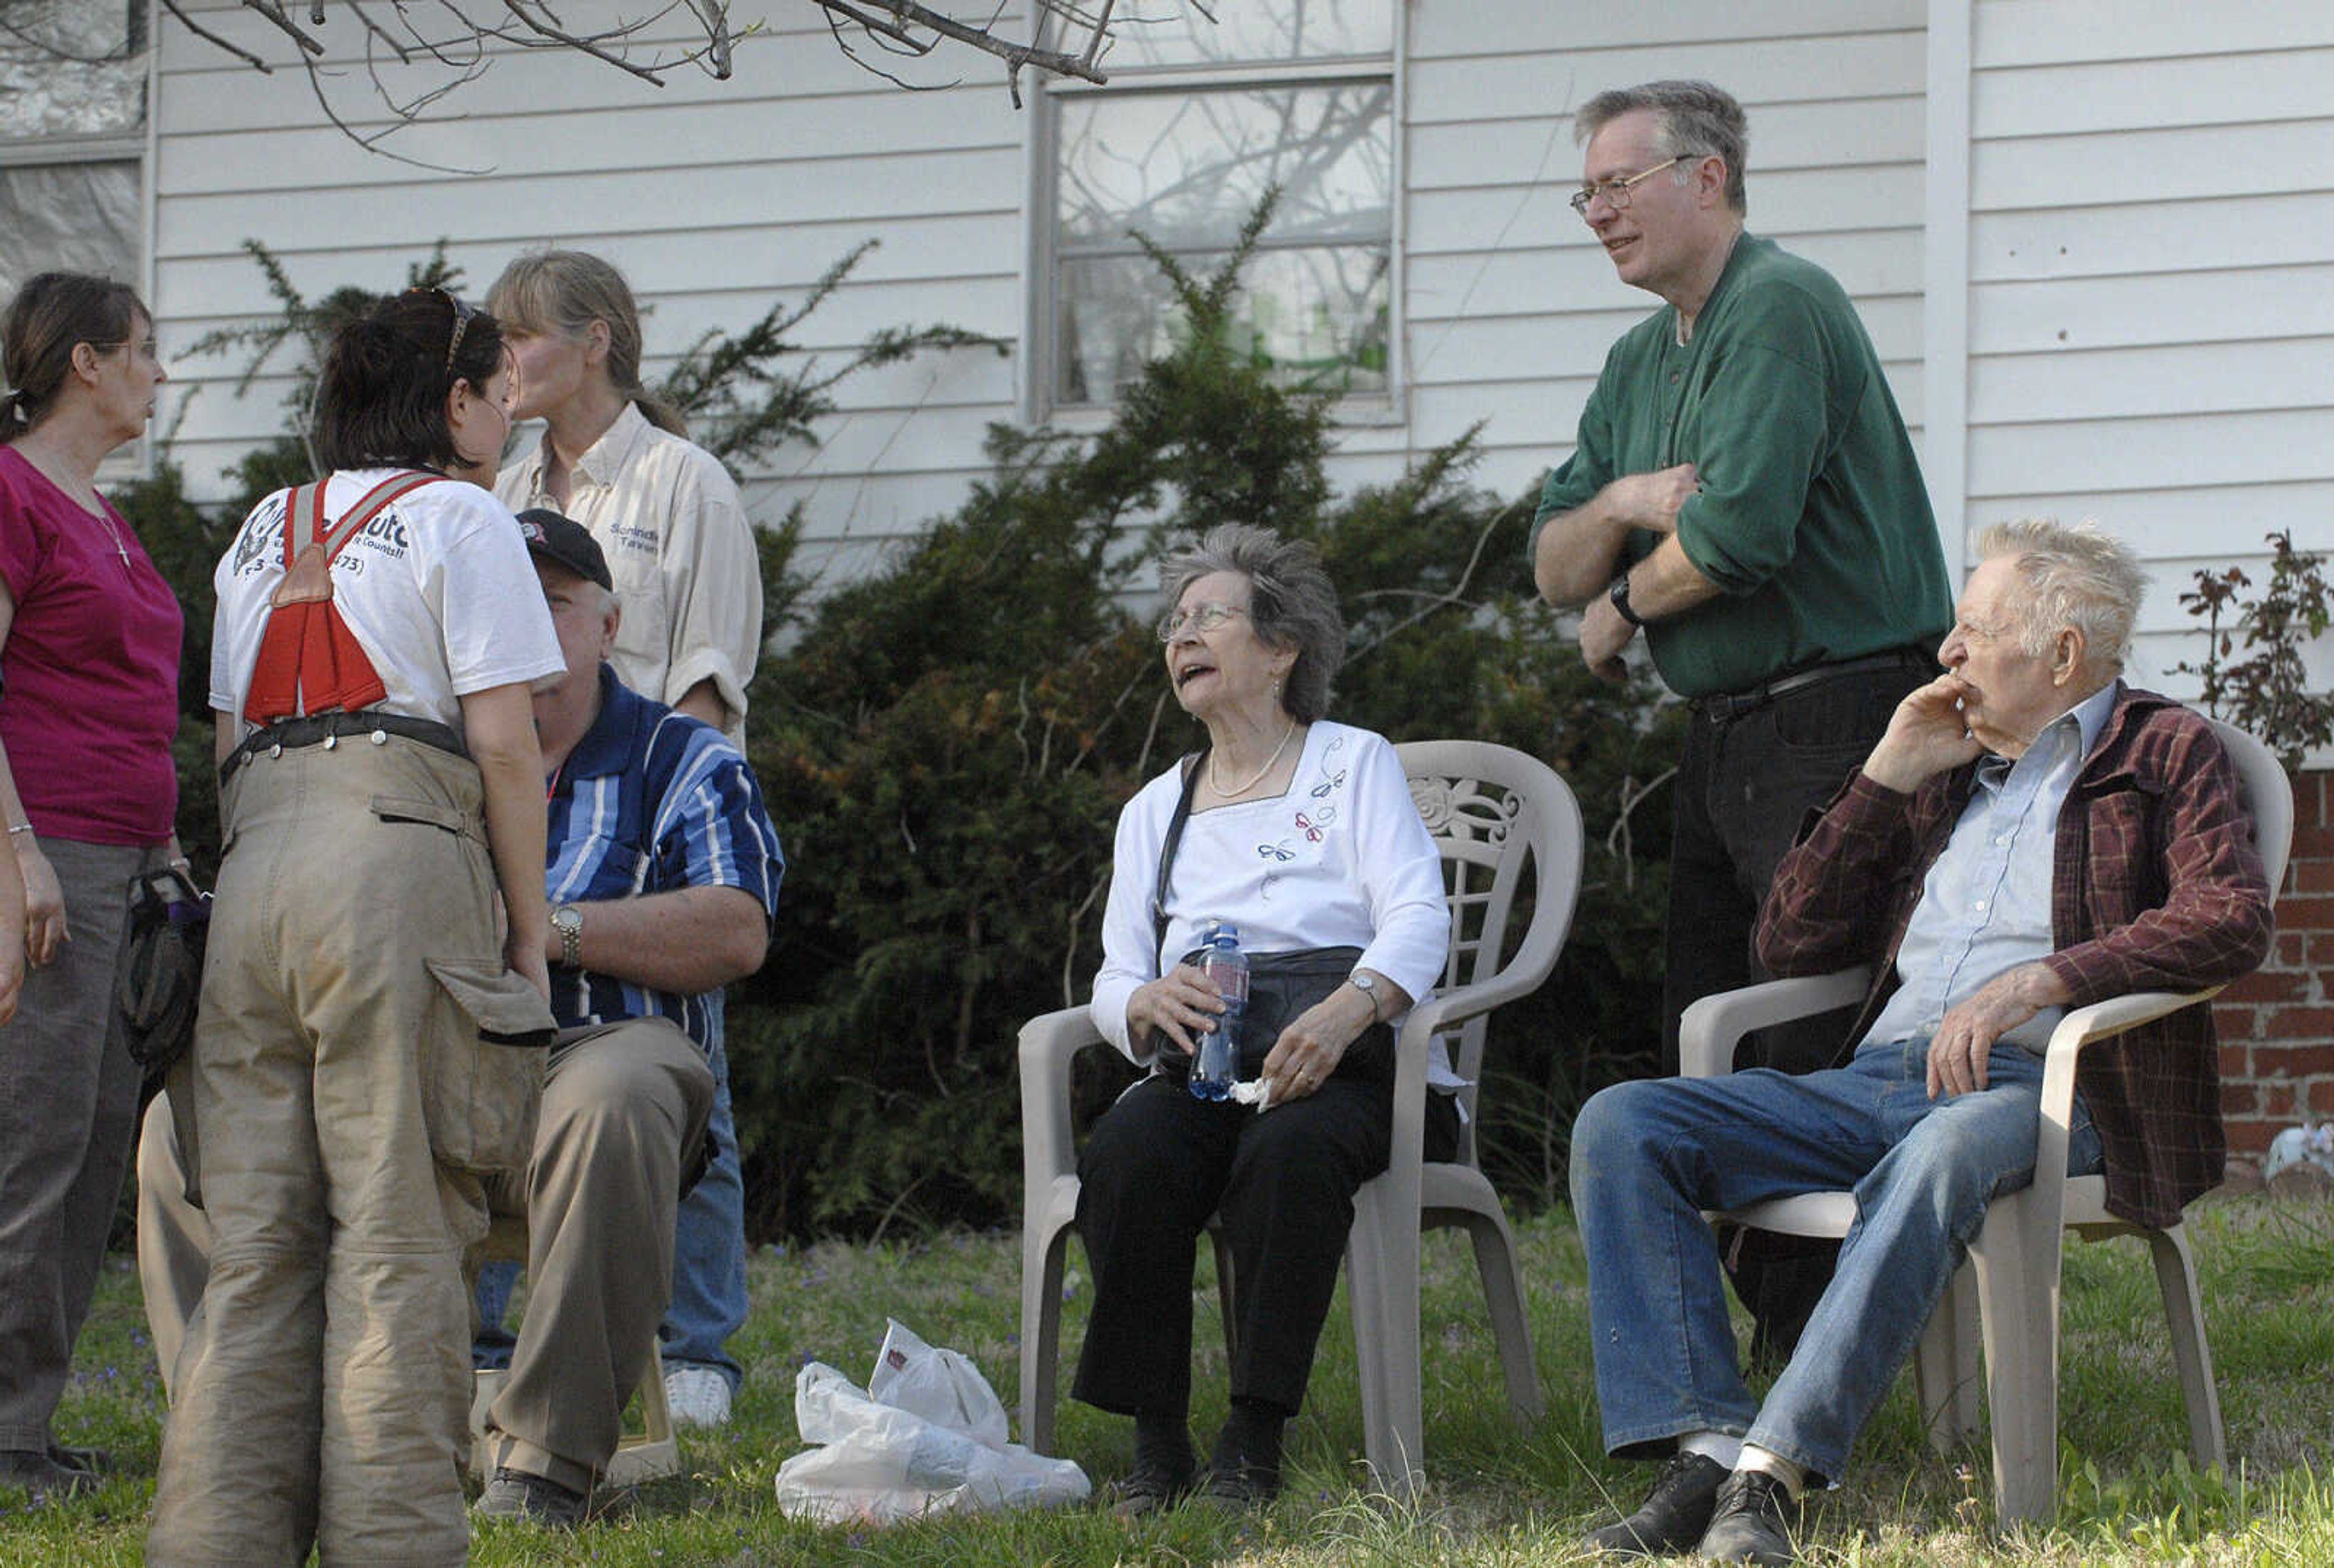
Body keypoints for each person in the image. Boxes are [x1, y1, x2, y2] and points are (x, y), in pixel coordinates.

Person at [1569, 521, 2273, 1565]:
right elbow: (1788, 941)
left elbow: (2231, 915)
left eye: (1973, 631)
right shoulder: (1947, 763)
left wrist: (2041, 980)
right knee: (1625, 1121)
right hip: (1877, 1079)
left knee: (1942, 1150)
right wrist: (1885, 774)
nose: (1947, 653)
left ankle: (1777, 1475)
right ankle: (1707, 1446)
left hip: (2047, 1093)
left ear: (2062, 655)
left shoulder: (2165, 750)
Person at [134, 511, 784, 1528]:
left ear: (609, 625)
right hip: (399, 1074)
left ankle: (543, 1462)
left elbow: (737, 930)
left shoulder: (682, 760)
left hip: (576, 1065)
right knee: (181, 1126)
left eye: (556, 606)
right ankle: (238, 1436)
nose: (528, 625)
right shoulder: (417, 759)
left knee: (621, 1092)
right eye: (510, 601)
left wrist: (548, 926)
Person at [1530, 78, 1954, 1357]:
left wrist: (1621, 610)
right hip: (1728, 737)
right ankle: (1757, 1361)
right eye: (1587, 192)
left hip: (1841, 721)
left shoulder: (1779, 306)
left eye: (1619, 185)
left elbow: (1739, 539)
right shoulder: (1635, 360)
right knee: (1707, 1037)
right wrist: (1617, 510)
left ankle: (1824, 1356)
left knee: (1807, 1030)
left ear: (1706, 177)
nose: (1598, 214)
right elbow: (1548, 561)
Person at [145, 289, 564, 1568]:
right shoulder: (466, 517)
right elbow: (502, 743)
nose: (508, 412)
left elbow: (226, 742)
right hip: (395, 863)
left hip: (259, 867)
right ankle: (392, 1545)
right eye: (497, 391)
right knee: (395, 1228)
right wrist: (528, 930)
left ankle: (217, 1544)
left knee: (259, 1244)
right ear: (452, 403)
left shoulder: (263, 527)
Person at [1075, 523, 1451, 1513]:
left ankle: (1253, 1437)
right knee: (1127, 1151)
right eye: (1174, 623)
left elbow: (1418, 915)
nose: (1181, 637)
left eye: (1209, 617)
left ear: (1281, 650)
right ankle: (1158, 1445)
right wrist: (1146, 1002)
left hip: (1354, 1061)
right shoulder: (1157, 808)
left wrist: (1346, 1013)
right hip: (1206, 1060)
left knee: (1290, 1152)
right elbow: (1114, 975)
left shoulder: (1351, 762)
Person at [487, 249, 761, 1426]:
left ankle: (695, 1349)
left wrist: (661, 818)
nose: (502, 366)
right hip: (518, 797)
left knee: (673, 1059)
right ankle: (503, 1336)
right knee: (513, 1057)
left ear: (595, 340)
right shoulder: (499, 492)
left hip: (653, 808)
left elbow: (710, 679)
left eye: (521, 340)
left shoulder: (686, 481)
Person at [0, 272, 176, 1503]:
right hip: (44, 861)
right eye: (146, 354)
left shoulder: (99, 513)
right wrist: (15, 857)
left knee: (92, 1148)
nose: (157, 375)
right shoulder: (10, 492)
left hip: (121, 867)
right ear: (86, 365)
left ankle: (25, 1429)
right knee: (30, 1149)